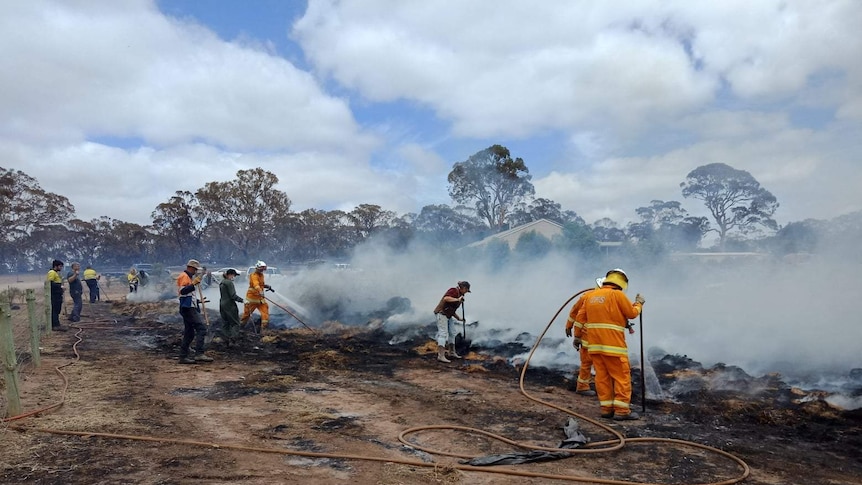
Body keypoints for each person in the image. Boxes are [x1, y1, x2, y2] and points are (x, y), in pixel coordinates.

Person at [579, 268, 645, 421]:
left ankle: (606, 409)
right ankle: (622, 411)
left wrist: (577, 336)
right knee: (621, 378)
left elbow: (582, 316)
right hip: (614, 346)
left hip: (594, 346)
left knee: (602, 378)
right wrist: (639, 304)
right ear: (621, 283)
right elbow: (632, 313)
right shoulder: (617, 294)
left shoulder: (591, 296)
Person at [565, 276, 604, 396]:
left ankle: (585, 387)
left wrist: (570, 326)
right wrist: (569, 326)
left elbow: (574, 312)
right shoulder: (589, 297)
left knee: (590, 363)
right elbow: (575, 312)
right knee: (598, 363)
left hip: (595, 336)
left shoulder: (589, 296)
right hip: (592, 337)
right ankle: (597, 389)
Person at [176, 259, 213, 364]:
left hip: (188, 306)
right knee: (201, 329)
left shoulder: (188, 277)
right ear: (191, 268)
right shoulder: (184, 276)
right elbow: (183, 291)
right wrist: (193, 284)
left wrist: (197, 301)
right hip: (187, 308)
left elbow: (188, 295)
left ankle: (183, 357)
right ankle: (199, 354)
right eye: (195, 269)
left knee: (189, 333)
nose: (196, 272)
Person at [432, 281, 471, 363]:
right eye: (466, 290)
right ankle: (441, 355)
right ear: (463, 288)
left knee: (452, 332)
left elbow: (452, 310)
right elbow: (446, 298)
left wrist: (459, 318)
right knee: (443, 333)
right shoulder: (453, 290)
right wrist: (457, 299)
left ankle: (452, 352)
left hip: (448, 315)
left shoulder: (460, 295)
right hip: (441, 314)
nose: (466, 292)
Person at [241, 261, 272, 331]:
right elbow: (256, 285)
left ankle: (264, 329)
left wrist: (266, 286)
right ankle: (241, 326)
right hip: (252, 299)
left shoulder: (261, 275)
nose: (262, 271)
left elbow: (260, 284)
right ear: (257, 268)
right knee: (247, 314)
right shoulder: (253, 275)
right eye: (261, 269)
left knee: (265, 312)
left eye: (263, 269)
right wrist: (260, 291)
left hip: (260, 299)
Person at [219, 268, 245, 345]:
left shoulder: (222, 282)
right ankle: (232, 340)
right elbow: (233, 295)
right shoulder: (229, 283)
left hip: (222, 304)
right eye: (234, 276)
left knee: (225, 323)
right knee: (235, 323)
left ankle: (226, 339)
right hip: (229, 305)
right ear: (230, 275)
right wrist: (242, 300)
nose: (234, 277)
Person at [46, 259, 67, 332]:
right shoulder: (52, 272)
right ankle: (55, 325)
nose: (61, 268)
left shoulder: (56, 273)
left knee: (57, 310)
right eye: (60, 266)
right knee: (55, 310)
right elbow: (50, 283)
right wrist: (60, 287)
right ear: (56, 266)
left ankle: (57, 324)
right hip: (55, 295)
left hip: (58, 294)